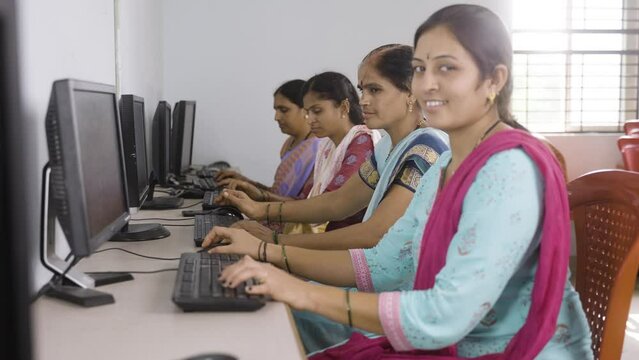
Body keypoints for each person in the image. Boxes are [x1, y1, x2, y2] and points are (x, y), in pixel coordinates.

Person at [205, 4, 593, 359]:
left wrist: (295, 284)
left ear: (494, 80)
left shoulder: (507, 169)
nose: (426, 85)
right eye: (421, 69)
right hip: (445, 336)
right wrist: (268, 256)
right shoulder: (443, 165)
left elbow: (444, 314)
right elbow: (384, 262)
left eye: (447, 68)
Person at [218, 45, 448, 250]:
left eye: (374, 90)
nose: (363, 100)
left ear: (411, 92)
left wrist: (276, 241)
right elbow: (337, 203)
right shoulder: (387, 146)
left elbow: (373, 234)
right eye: (362, 90)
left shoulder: (426, 148)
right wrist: (260, 210)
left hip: (401, 289)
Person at [219, 71, 380, 234]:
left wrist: (260, 208)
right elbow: (306, 201)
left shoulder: (362, 143)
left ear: (344, 107)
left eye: (317, 111)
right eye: (308, 112)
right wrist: (259, 196)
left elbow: (329, 205)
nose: (309, 119)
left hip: (338, 244)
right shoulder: (327, 148)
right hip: (319, 234)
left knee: (240, 233)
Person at [215, 80, 320, 202]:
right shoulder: (289, 143)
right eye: (276, 110)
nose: (276, 117)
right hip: (276, 214)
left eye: (284, 110)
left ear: (305, 110)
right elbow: (277, 192)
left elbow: (306, 205)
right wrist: (244, 182)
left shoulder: (318, 150)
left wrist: (256, 194)